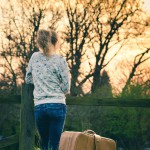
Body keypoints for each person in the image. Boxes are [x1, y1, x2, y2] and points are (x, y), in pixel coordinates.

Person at [25, 29, 71, 150]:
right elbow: (66, 87)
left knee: (44, 144)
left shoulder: (34, 58)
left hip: (40, 106)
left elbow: (28, 79)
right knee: (55, 145)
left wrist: (40, 83)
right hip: (57, 104)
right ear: (55, 43)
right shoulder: (60, 60)